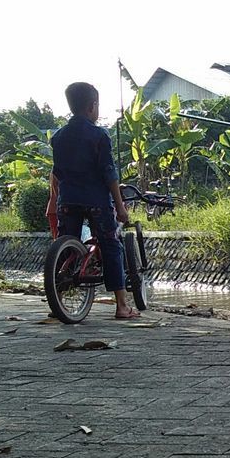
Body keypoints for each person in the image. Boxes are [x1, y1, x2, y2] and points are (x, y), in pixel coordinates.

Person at [49, 81, 138, 320]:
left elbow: (57, 172)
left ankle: (56, 299)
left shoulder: (58, 137)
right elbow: (109, 172)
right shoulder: (99, 135)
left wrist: (57, 199)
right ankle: (121, 306)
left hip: (68, 199)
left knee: (67, 248)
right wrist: (120, 206)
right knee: (111, 245)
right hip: (96, 200)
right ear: (92, 106)